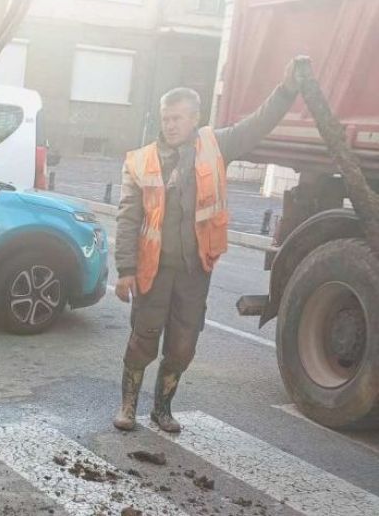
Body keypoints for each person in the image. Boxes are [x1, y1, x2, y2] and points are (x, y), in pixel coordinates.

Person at [112, 57, 306, 433]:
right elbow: (127, 218)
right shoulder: (141, 162)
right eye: (165, 118)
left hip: (193, 272)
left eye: (177, 118)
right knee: (143, 340)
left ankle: (162, 409)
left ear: (195, 118)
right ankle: (127, 406)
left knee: (183, 345)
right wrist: (125, 270)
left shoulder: (215, 146)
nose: (169, 125)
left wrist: (286, 91)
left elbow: (258, 124)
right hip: (154, 271)